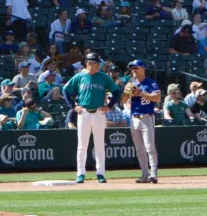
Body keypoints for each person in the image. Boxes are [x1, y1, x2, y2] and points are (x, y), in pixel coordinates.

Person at [65, 52, 119, 183]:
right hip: (84, 112)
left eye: (98, 63)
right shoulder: (79, 76)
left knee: (99, 144)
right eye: (96, 63)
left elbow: (116, 91)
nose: (98, 65)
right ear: (89, 63)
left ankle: (100, 173)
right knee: (82, 145)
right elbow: (66, 90)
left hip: (99, 112)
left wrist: (109, 106)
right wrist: (74, 106)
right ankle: (80, 173)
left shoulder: (104, 77)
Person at [124, 58, 162, 183]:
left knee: (150, 147)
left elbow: (157, 98)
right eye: (132, 68)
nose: (133, 70)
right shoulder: (131, 83)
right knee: (139, 149)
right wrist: (126, 92)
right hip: (134, 118)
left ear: (143, 68)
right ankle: (145, 174)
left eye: (136, 67)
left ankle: (153, 174)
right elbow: (123, 100)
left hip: (147, 117)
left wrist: (141, 93)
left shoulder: (150, 83)